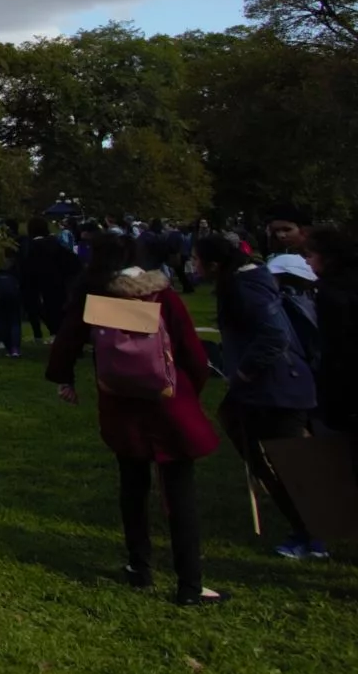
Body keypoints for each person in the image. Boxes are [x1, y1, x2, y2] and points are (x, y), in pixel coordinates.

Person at [46, 232, 225, 605]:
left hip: (121, 401)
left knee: (133, 485)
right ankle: (190, 583)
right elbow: (191, 350)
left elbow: (67, 341)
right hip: (167, 398)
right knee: (180, 493)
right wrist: (191, 388)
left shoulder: (97, 297)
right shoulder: (161, 295)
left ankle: (139, 565)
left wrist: (65, 378)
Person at [196, 232, 324, 560]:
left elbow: (274, 334)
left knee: (285, 463)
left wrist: (244, 372)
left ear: (214, 264)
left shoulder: (246, 286)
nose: (192, 266)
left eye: (197, 260)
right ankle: (310, 529)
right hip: (268, 387)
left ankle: (313, 535)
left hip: (275, 388)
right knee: (273, 459)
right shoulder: (243, 282)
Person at [303, 227, 355, 435]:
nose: (307, 262)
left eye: (310, 256)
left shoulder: (330, 294)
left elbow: (334, 345)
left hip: (343, 385)